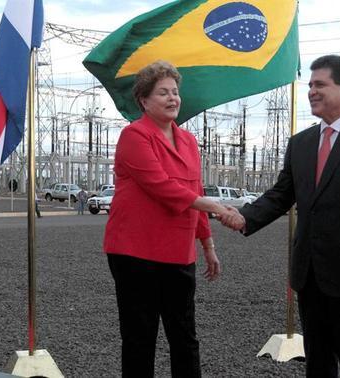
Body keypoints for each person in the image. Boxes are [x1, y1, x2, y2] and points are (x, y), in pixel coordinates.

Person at [220, 55, 340, 377]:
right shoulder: (301, 143)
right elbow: (281, 194)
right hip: (309, 274)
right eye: (309, 86)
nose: (311, 91)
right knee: (317, 361)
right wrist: (245, 217)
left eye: (320, 84)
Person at [104, 60, 232, 378]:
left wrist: (208, 244)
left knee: (184, 336)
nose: (173, 98)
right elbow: (162, 187)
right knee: (139, 338)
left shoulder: (188, 141)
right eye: (163, 92)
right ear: (144, 100)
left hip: (178, 252)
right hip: (135, 253)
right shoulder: (134, 136)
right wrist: (216, 207)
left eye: (175, 92)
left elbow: (193, 190)